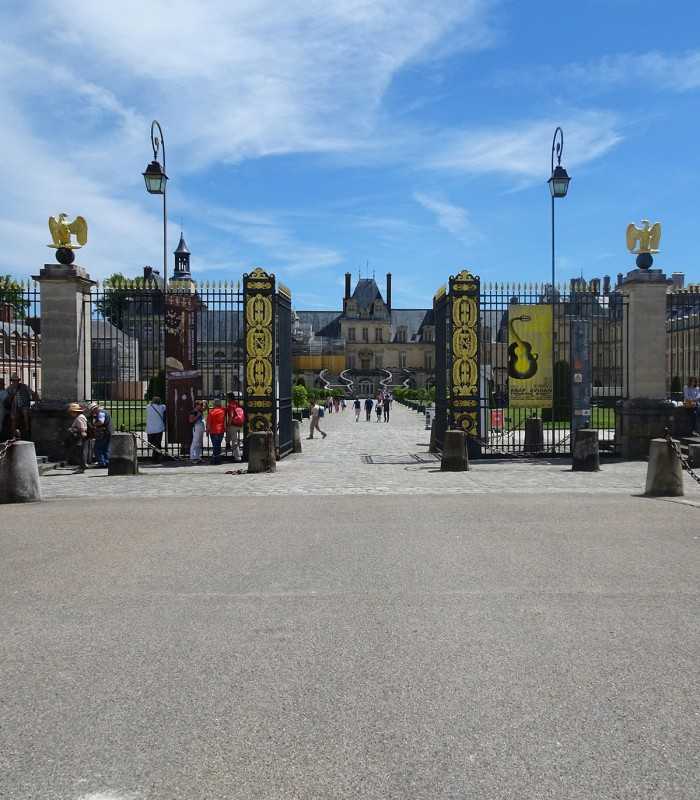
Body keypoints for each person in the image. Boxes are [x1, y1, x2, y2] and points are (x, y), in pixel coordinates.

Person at [5, 374, 32, 440]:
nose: (15, 382)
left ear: (18, 381)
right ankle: (13, 434)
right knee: (13, 418)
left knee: (25, 414)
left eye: (16, 381)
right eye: (13, 381)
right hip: (14, 407)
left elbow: (31, 393)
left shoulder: (24, 386)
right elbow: (7, 399)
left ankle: (27, 430)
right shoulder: (9, 388)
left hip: (24, 405)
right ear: (12, 381)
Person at [87, 402, 113, 467]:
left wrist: (93, 425)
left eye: (92, 410)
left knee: (98, 448)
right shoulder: (104, 412)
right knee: (105, 448)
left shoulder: (101, 413)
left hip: (103, 433)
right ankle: (107, 462)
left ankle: (101, 462)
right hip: (108, 432)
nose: (92, 412)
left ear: (95, 409)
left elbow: (101, 422)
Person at [65, 402, 88, 472]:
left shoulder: (79, 418)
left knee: (80, 452)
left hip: (80, 437)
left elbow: (82, 428)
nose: (71, 414)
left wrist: (72, 429)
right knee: (81, 452)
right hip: (81, 437)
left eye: (71, 412)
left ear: (75, 412)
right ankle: (82, 465)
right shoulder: (82, 416)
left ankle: (82, 467)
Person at [145, 395, 167, 463]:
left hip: (150, 429)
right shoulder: (162, 407)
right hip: (158, 429)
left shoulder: (148, 407)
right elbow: (165, 407)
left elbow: (148, 405)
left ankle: (156, 457)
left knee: (152, 444)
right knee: (157, 443)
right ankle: (157, 457)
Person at [225, 392, 245, 462]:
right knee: (230, 437)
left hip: (233, 424)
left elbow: (231, 416)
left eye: (227, 397)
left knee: (235, 442)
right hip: (239, 424)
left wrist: (228, 425)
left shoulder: (231, 405)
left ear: (229, 398)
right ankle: (227, 443)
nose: (226, 399)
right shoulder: (237, 403)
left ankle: (238, 457)